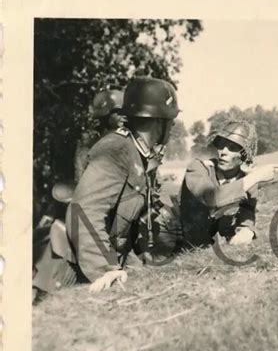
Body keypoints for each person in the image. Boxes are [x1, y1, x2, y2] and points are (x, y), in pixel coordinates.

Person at [33, 77, 179, 298]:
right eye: (171, 120)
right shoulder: (117, 148)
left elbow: (121, 230)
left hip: (102, 259)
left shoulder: (138, 155)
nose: (173, 126)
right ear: (160, 121)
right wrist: (104, 270)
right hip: (69, 271)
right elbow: (83, 210)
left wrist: (137, 268)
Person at [145, 119, 278, 255]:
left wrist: (246, 230)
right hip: (167, 239)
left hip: (198, 247)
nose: (223, 152)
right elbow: (211, 197)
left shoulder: (244, 179)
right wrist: (256, 177)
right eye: (221, 145)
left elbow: (247, 212)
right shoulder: (198, 168)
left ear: (244, 154)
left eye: (232, 147)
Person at [74, 89, 125, 182]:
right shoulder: (89, 147)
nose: (124, 115)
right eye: (119, 111)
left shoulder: (130, 140)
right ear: (105, 115)